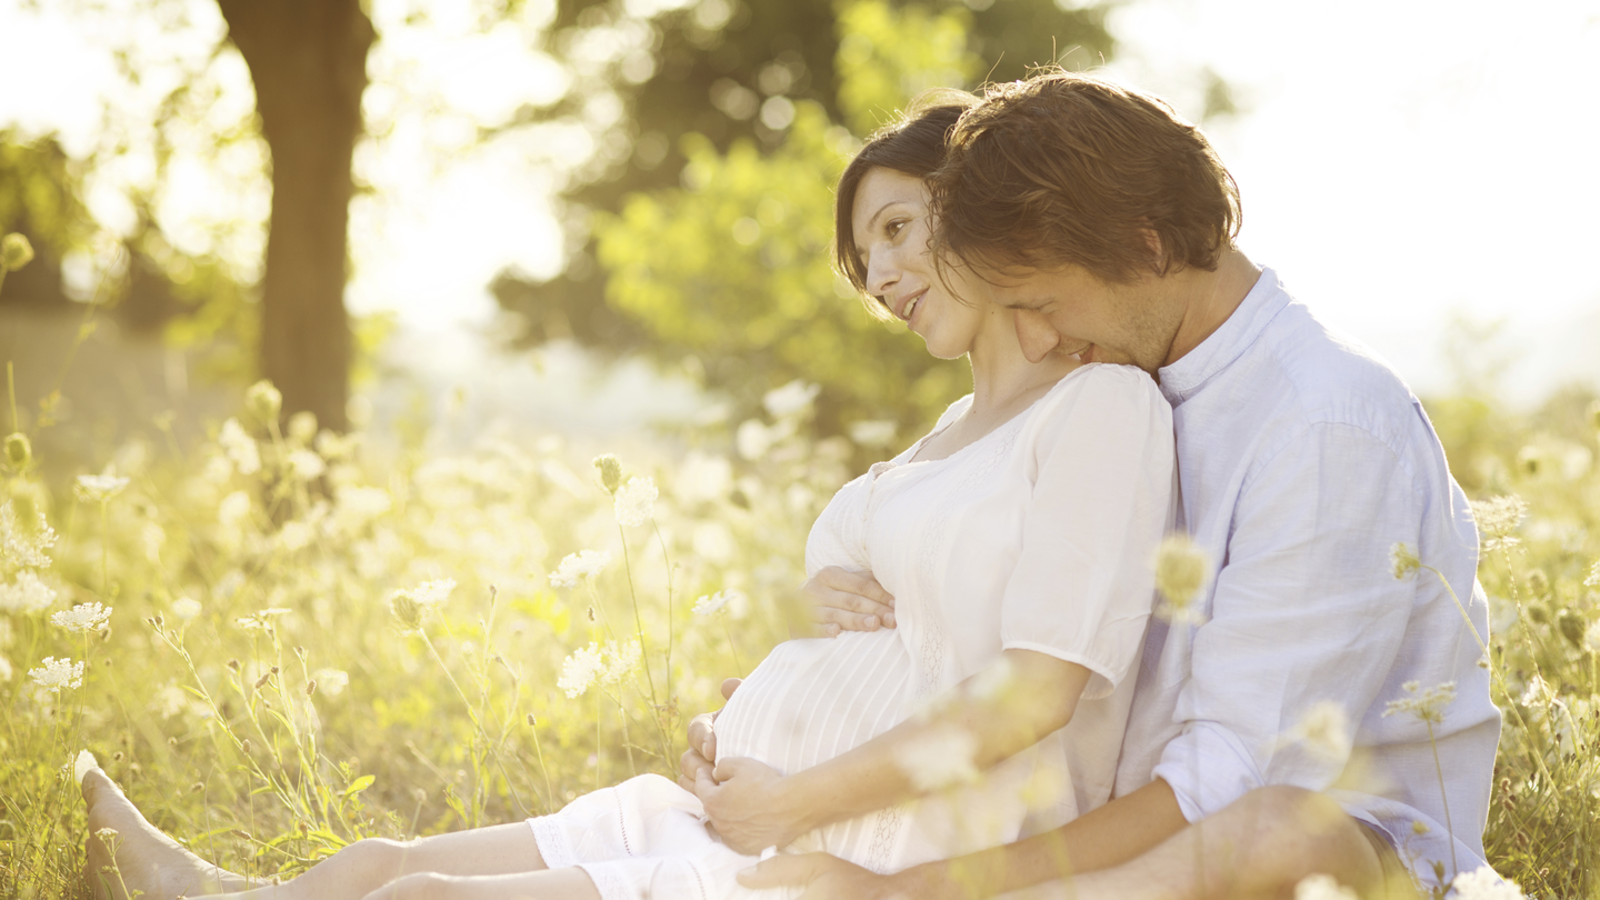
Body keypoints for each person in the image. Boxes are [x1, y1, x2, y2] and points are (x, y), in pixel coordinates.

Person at [80, 98, 1178, 900]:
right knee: (382, 863)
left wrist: (797, 798)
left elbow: (1032, 698)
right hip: (754, 801)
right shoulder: (948, 434)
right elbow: (895, 625)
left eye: (898, 229)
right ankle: (211, 893)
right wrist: (774, 692)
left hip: (874, 850)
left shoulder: (1099, 410)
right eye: (861, 257)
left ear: (979, 208)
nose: (882, 276)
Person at [710, 70, 1500, 900]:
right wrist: (779, 718)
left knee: (1269, 835)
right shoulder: (1124, 383)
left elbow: (1226, 784)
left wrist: (915, 888)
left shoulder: (1323, 423)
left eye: (1043, 302)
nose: (1037, 337)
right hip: (1102, 826)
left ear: (1146, 246)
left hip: (1324, 851)